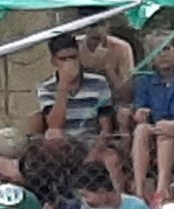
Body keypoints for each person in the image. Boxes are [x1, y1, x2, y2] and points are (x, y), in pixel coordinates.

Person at [34, 37, 120, 188]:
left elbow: (106, 127)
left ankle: (120, 197)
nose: (69, 63)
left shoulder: (98, 83)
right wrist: (63, 87)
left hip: (91, 140)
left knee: (111, 159)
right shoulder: (46, 87)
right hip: (64, 143)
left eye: (73, 57)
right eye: (63, 59)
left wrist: (94, 152)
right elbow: (54, 124)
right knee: (54, 134)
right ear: (54, 61)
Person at [129, 38, 174, 196]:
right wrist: (140, 112)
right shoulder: (144, 79)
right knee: (141, 130)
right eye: (156, 50)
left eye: (166, 48)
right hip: (155, 124)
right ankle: (139, 189)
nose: (162, 54)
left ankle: (162, 188)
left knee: (165, 134)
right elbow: (140, 104)